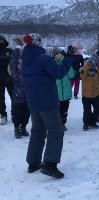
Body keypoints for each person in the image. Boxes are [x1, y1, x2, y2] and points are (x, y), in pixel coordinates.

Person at [22, 33, 75, 179]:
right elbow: (59, 73)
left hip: (33, 101)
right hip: (47, 101)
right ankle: (50, 164)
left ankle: (33, 162)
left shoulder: (26, 60)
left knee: (37, 131)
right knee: (56, 131)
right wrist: (68, 57)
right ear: (38, 43)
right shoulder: (43, 59)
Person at [9, 38, 30, 139]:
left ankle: (24, 127)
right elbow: (13, 59)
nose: (21, 64)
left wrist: (26, 47)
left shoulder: (29, 71)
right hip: (18, 95)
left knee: (27, 112)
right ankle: (16, 128)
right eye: (19, 62)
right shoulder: (14, 71)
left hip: (28, 96)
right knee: (17, 113)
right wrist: (18, 47)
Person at [52, 48, 75, 131]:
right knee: (56, 111)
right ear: (54, 55)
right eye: (57, 54)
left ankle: (63, 124)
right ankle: (56, 125)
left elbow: (71, 75)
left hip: (66, 93)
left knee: (64, 110)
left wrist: (68, 66)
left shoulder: (66, 64)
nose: (59, 55)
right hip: (56, 93)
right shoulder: (52, 64)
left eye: (60, 54)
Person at [80, 54, 99, 131]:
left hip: (95, 95)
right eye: (90, 69)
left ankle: (93, 122)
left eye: (93, 69)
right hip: (86, 96)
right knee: (87, 111)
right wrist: (88, 64)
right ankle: (86, 123)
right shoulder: (84, 75)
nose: (92, 71)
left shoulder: (96, 75)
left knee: (98, 109)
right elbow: (83, 70)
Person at [0, 35, 13, 125]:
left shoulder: (9, 51)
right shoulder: (8, 53)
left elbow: (14, 60)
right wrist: (6, 58)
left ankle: (14, 113)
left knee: (14, 97)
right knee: (0, 99)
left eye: (2, 41)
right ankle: (3, 115)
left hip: (10, 78)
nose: (1, 42)